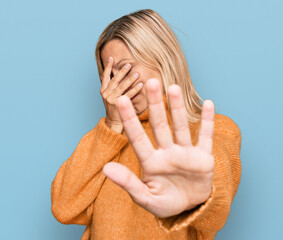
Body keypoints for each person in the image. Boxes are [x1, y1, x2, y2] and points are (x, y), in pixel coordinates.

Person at [51, 9, 241, 240]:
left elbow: (215, 214)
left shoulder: (214, 130)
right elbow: (63, 208)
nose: (117, 84)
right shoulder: (109, 140)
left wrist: (196, 199)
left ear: (162, 57)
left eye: (126, 68)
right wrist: (112, 126)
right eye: (110, 75)